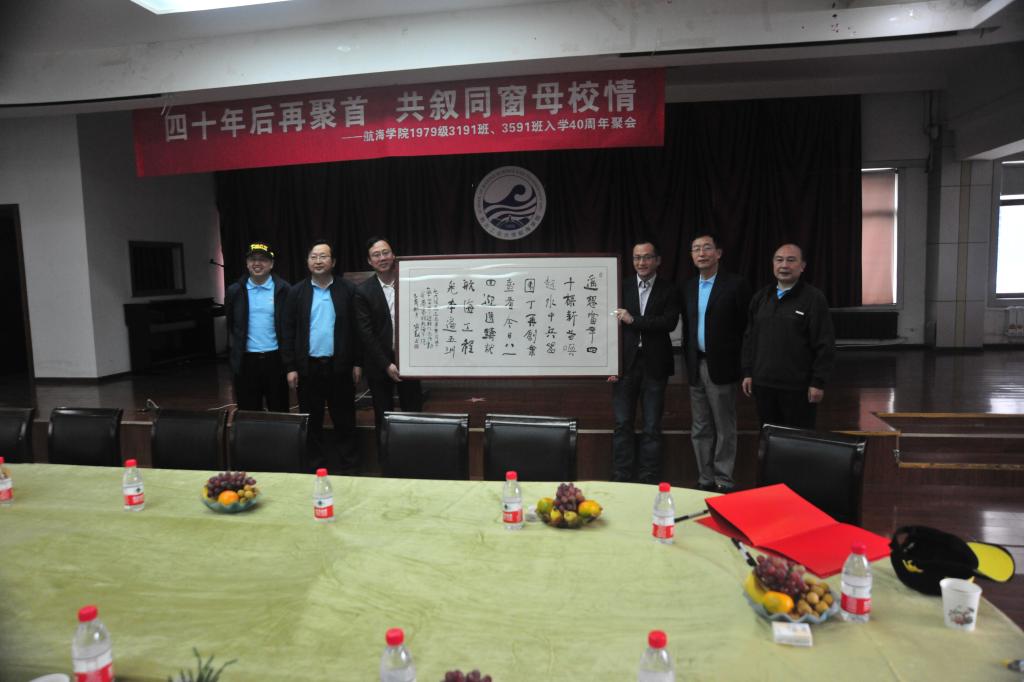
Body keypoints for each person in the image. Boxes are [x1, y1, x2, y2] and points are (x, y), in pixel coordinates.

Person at [281, 239, 362, 473]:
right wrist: (290, 367)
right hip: (308, 368)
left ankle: (349, 469)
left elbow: (357, 330)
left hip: (340, 367)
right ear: (307, 262)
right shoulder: (296, 292)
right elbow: (287, 331)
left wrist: (358, 362)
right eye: (313, 257)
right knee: (311, 422)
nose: (318, 261)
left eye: (323, 256)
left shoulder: (348, 290)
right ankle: (315, 469)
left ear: (333, 262)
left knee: (345, 420)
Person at [681, 233, 750, 492]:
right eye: (696, 249)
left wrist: (745, 367)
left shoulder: (735, 285)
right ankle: (705, 478)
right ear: (691, 255)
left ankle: (724, 479)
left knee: (724, 426)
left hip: (722, 366)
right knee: (700, 426)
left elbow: (746, 328)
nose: (701, 253)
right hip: (695, 365)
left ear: (718, 253)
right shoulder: (688, 287)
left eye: (707, 248)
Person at [608, 240, 681, 484]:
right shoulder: (620, 286)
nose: (641, 262)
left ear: (657, 260)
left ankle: (649, 479)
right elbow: (607, 326)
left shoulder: (669, 289)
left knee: (651, 426)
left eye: (647, 257)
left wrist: (634, 320)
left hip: (655, 365)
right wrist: (609, 364)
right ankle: (621, 477)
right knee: (622, 424)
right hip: (624, 366)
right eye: (637, 257)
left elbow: (668, 323)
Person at [741, 243, 835, 429]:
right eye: (779, 260)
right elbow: (749, 339)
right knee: (769, 438)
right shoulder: (761, 297)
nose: (784, 265)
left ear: (802, 266)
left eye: (791, 260)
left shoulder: (814, 299)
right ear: (773, 264)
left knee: (798, 440)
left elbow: (825, 344)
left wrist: (818, 382)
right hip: (763, 385)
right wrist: (747, 372)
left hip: (798, 388)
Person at [354, 236, 423, 456]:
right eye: (376, 255)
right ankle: (387, 461)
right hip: (378, 363)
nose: (382, 258)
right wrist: (386, 364)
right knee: (383, 415)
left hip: (410, 361)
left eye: (385, 253)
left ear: (394, 255)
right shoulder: (363, 291)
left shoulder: (411, 282)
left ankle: (415, 457)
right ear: (369, 261)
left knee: (414, 413)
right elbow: (366, 333)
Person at [224, 242, 291, 412]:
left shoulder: (284, 289)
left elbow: (290, 326)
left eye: (263, 259)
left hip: (276, 360)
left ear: (271, 264)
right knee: (249, 414)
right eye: (252, 259)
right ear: (247, 263)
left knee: (279, 411)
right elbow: (231, 324)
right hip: (246, 362)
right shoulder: (234, 291)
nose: (257, 263)